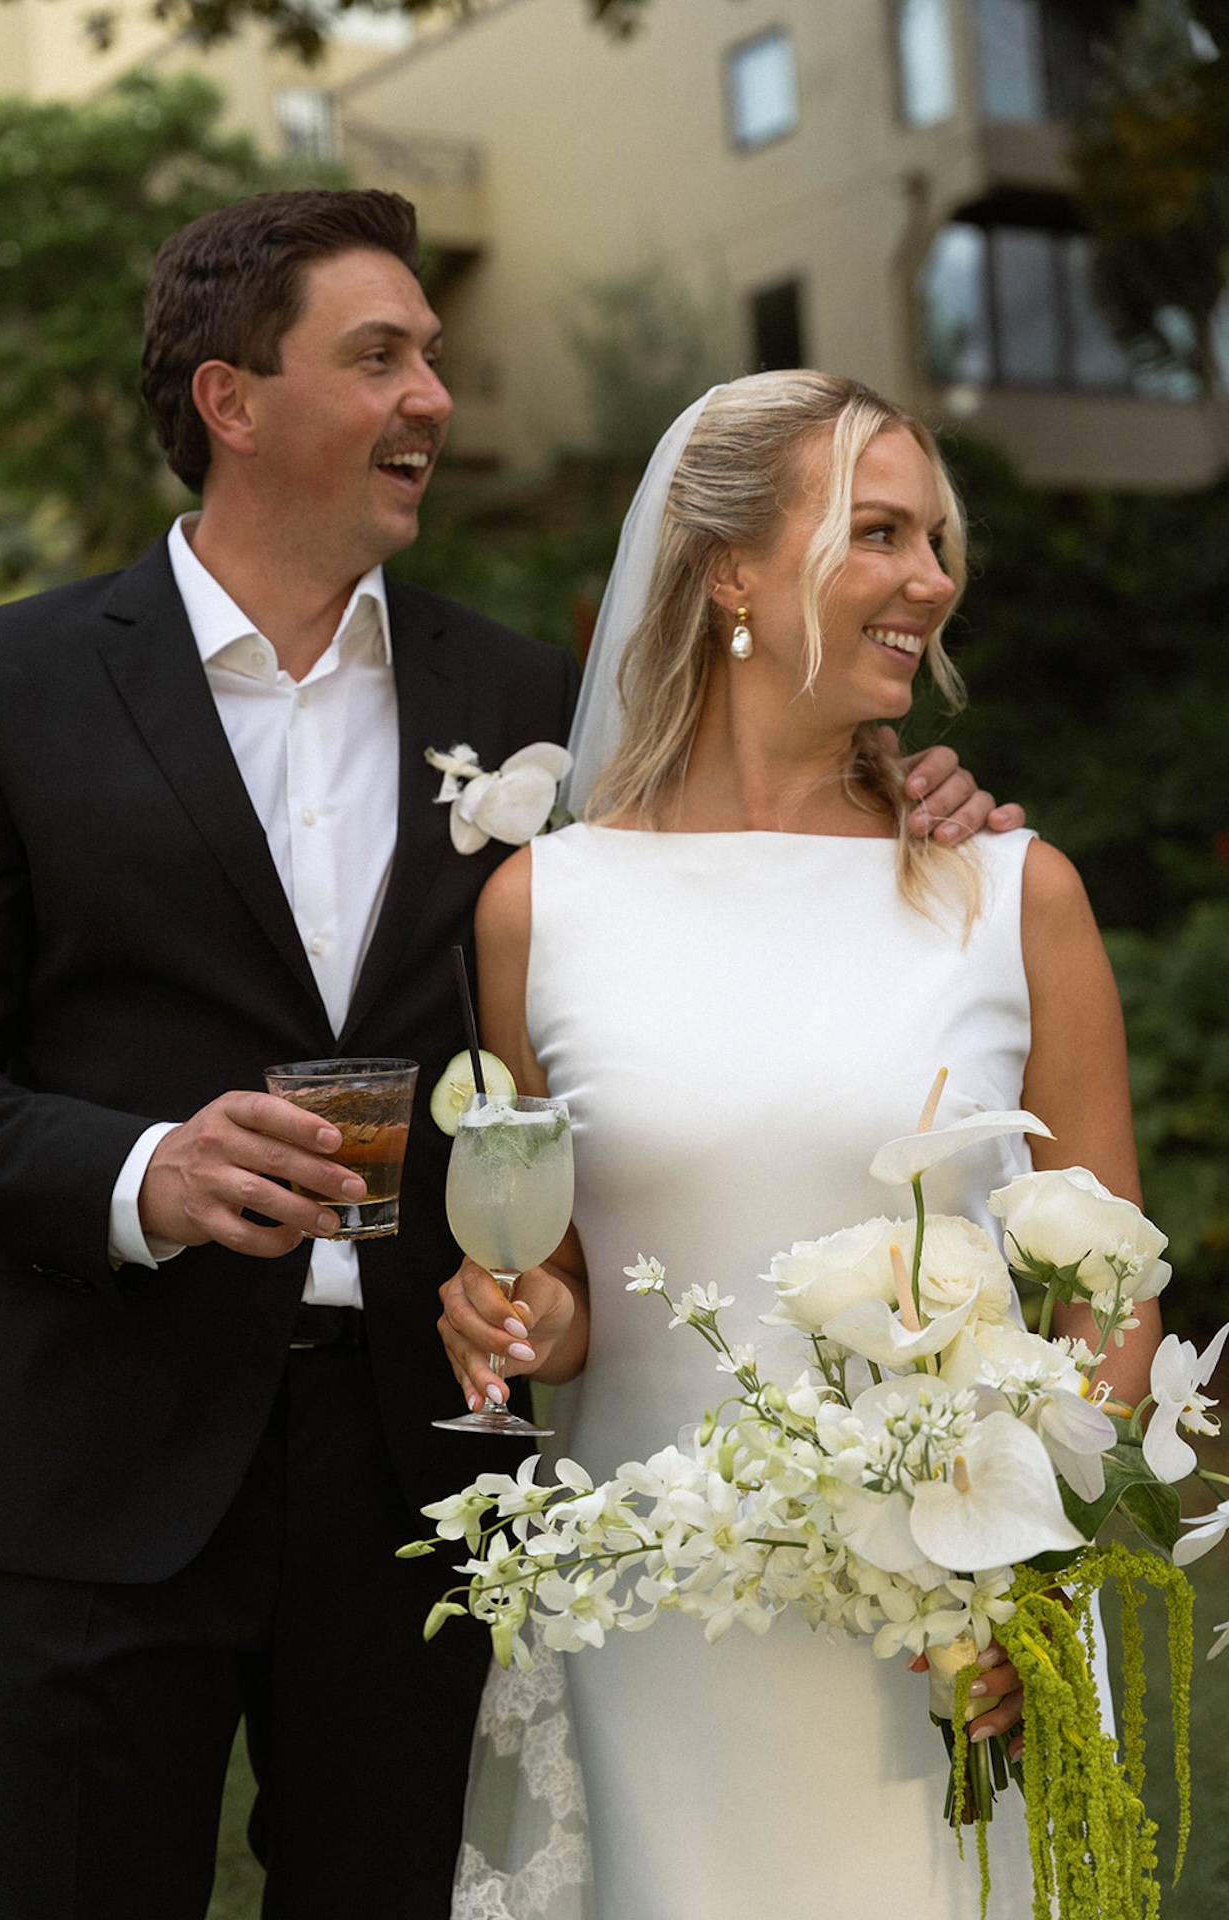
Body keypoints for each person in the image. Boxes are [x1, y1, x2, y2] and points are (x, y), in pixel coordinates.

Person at [0, 200, 1006, 1919]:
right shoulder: (6, 685)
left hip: (430, 1482)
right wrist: (142, 1172)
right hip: (101, 1467)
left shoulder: (522, 698)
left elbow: (713, 906)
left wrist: (915, 798)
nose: (435, 392)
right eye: (381, 356)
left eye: (433, 352)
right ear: (231, 399)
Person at [437, 373, 1162, 1919]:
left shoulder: (1013, 895)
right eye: (878, 531)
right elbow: (554, 1294)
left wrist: (1036, 1588)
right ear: (731, 572)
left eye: (937, 539)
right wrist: (520, 1317)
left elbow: (1114, 1292)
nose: (934, 578)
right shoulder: (542, 911)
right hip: (650, 1627)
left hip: (944, 1639)